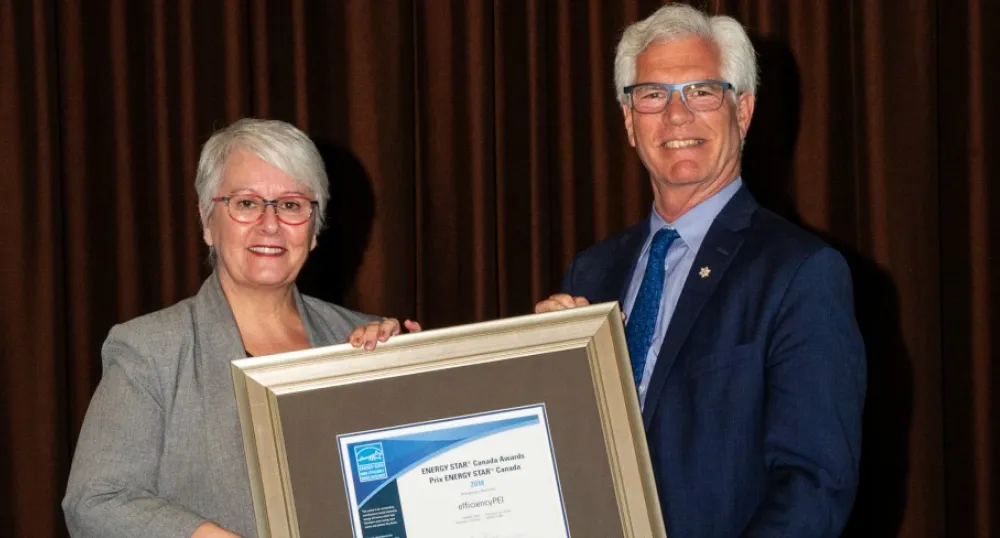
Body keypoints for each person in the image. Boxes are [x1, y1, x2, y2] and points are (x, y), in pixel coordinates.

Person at [535, 5, 865, 537]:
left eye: (702, 91)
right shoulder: (591, 274)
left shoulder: (801, 272)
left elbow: (814, 486)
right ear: (628, 121)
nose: (676, 115)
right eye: (653, 95)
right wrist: (544, 366)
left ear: (743, 112)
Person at [62, 118, 418, 538]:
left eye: (290, 205)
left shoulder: (365, 340)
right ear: (208, 221)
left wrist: (422, 378)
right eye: (246, 203)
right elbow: (94, 501)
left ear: (315, 228)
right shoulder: (150, 351)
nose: (270, 225)